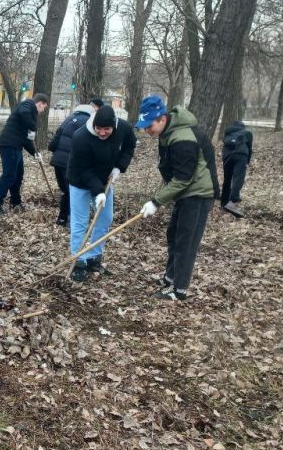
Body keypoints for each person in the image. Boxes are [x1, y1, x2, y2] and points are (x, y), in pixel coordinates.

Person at [135, 96, 218, 301]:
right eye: (144, 127)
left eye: (149, 126)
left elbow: (182, 179)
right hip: (186, 193)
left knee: (185, 242)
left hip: (198, 194)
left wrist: (155, 202)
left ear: (162, 119)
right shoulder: (168, 133)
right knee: (174, 235)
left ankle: (179, 290)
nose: (147, 131)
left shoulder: (183, 138)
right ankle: (170, 278)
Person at [65, 104, 137, 281]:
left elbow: (129, 146)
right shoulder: (80, 137)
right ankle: (78, 261)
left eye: (107, 129)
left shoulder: (124, 129)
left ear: (114, 125)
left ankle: (94, 258)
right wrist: (98, 192)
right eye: (99, 128)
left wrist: (119, 167)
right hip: (80, 181)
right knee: (80, 222)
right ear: (94, 125)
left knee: (105, 218)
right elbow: (84, 169)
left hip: (105, 180)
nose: (102, 132)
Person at [0, 92, 49, 215]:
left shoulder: (29, 111)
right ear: (40, 103)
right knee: (9, 175)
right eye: (44, 107)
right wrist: (33, 128)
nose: (43, 111)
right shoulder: (27, 105)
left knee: (18, 174)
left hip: (15, 146)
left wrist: (35, 153)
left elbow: (26, 140)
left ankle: (15, 202)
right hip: (9, 145)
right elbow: (23, 113)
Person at [48, 97, 103, 225]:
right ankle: (72, 221)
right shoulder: (89, 122)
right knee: (73, 192)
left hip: (57, 161)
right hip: (71, 162)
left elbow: (55, 139)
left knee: (67, 191)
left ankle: (62, 219)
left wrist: (53, 150)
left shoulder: (69, 118)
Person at [220, 120, 253, 217]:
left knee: (227, 179)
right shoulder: (247, 133)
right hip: (241, 155)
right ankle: (232, 202)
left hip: (227, 157)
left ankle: (223, 203)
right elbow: (249, 148)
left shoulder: (228, 132)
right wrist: (247, 161)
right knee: (238, 178)